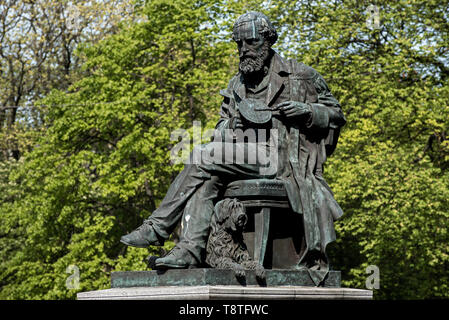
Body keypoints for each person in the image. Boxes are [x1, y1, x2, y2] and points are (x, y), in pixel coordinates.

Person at [120, 12, 346, 282]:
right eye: (239, 44)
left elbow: (335, 115)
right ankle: (190, 249)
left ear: (268, 40)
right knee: (206, 174)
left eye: (250, 42)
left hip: (280, 157)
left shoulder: (301, 76)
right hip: (241, 153)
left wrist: (306, 110)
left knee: (203, 155)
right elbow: (220, 128)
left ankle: (158, 227)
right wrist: (232, 124)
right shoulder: (236, 83)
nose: (243, 50)